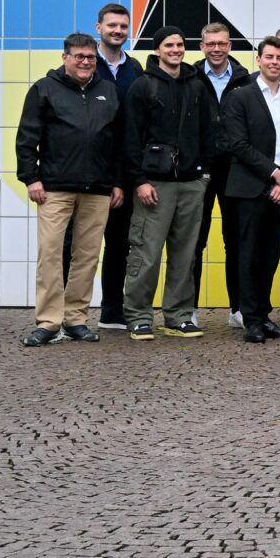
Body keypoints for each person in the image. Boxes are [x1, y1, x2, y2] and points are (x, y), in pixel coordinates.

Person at [17, 33, 123, 346]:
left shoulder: (109, 91)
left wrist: (117, 181)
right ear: (65, 57)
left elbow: (118, 143)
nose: (85, 62)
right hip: (54, 188)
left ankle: (76, 319)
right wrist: (30, 178)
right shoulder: (44, 89)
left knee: (87, 256)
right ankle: (49, 322)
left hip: (98, 189)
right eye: (79, 56)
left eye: (90, 57)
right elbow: (26, 138)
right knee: (50, 253)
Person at [119, 30, 210, 341]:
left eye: (180, 45)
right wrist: (139, 181)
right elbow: (130, 138)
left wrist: (204, 175)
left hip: (191, 183)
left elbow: (209, 131)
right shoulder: (142, 86)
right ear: (157, 50)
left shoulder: (197, 84)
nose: (176, 50)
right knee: (146, 253)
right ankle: (138, 316)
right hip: (153, 185)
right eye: (169, 45)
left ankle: (179, 316)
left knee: (185, 255)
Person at [217, 37, 280, 343]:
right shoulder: (240, 96)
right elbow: (238, 144)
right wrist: (274, 175)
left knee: (271, 256)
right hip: (250, 189)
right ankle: (250, 319)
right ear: (259, 59)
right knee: (249, 255)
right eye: (269, 56)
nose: (274, 62)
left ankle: (264, 315)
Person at [86, 3, 143, 332]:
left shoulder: (134, 69)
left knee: (119, 245)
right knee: (79, 246)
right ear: (99, 28)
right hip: (88, 175)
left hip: (124, 175)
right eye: (112, 25)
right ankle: (67, 314)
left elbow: (132, 130)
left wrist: (123, 181)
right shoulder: (85, 65)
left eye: (123, 26)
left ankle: (111, 310)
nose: (117, 31)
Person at [193, 22, 250, 327]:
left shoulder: (245, 80)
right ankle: (187, 309)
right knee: (194, 241)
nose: (216, 49)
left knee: (236, 241)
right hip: (198, 171)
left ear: (230, 46)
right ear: (202, 46)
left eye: (222, 43)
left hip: (233, 170)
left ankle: (237, 309)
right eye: (210, 43)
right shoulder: (189, 77)